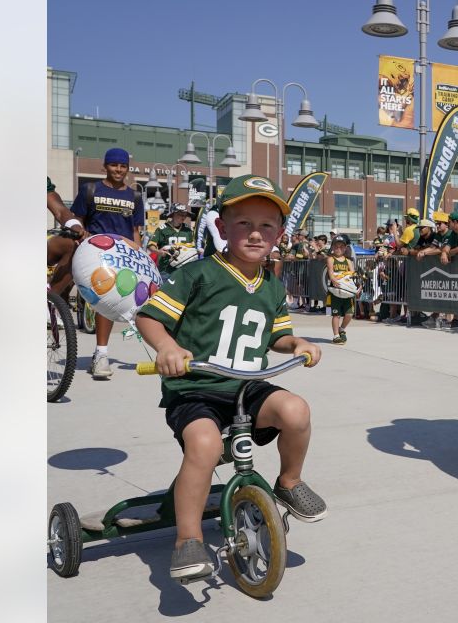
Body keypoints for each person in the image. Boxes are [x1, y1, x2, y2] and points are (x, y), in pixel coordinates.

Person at [135, 174, 325, 582]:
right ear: (221, 227)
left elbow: (278, 335)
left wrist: (296, 345)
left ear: (279, 234)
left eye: (267, 226)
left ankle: (289, 481)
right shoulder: (199, 274)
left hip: (246, 388)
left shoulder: (272, 285)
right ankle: (188, 539)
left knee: (296, 410)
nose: (256, 234)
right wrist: (167, 348)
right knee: (203, 444)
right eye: (244, 224)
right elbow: (149, 318)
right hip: (196, 388)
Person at [71, 148, 145, 380]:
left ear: (128, 169)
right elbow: (77, 221)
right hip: (94, 253)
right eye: (114, 165)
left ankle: (101, 354)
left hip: (122, 257)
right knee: (104, 297)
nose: (118, 170)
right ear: (105, 166)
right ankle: (100, 354)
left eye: (123, 166)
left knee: (113, 301)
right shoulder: (90, 190)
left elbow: (135, 232)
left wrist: (139, 256)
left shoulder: (134, 197)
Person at [326, 234, 356, 344]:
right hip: (336, 290)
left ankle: (342, 329)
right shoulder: (331, 259)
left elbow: (353, 274)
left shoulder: (348, 261)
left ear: (345, 248)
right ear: (333, 247)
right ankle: (336, 335)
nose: (339, 249)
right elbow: (330, 272)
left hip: (347, 290)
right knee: (336, 314)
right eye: (336, 246)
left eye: (341, 247)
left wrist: (356, 286)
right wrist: (334, 280)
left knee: (349, 314)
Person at [153, 204, 195, 276]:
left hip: (184, 269)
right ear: (173, 214)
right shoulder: (162, 229)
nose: (183, 217)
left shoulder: (188, 230)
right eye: (180, 214)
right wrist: (159, 252)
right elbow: (151, 246)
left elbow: (192, 248)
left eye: (185, 215)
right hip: (165, 270)